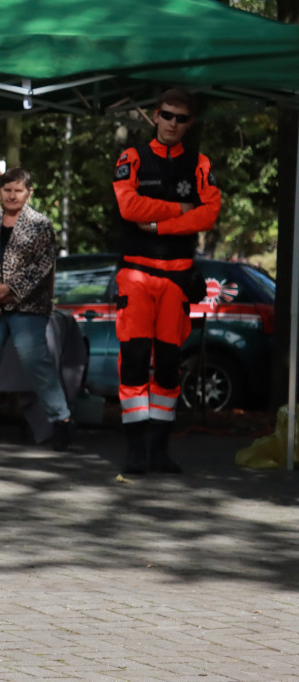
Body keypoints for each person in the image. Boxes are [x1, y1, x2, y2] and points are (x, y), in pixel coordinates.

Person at [112, 88, 221, 475]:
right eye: (168, 115)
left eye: (181, 118)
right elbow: (129, 207)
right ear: (155, 116)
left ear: (189, 123)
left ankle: (159, 450)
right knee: (136, 362)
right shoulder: (132, 157)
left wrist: (156, 222)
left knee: (171, 365)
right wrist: (179, 209)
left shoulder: (200, 162)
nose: (174, 123)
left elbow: (209, 214)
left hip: (177, 277)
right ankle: (135, 450)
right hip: (136, 275)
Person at [0, 167, 74, 452]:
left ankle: (62, 421)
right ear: (0, 192)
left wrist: (11, 289)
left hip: (27, 306)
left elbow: (43, 264)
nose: (12, 195)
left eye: (18, 190)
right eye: (7, 190)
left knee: (36, 364)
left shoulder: (41, 224)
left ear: (29, 193)